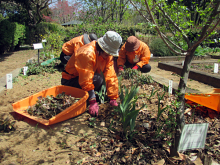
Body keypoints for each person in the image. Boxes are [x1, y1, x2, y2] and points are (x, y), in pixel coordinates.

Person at [61, 31, 122, 117]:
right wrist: (92, 101)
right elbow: (86, 78)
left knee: (102, 80)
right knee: (98, 79)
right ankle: (85, 98)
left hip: (86, 78)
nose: (108, 55)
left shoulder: (107, 56)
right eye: (107, 52)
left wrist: (113, 97)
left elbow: (110, 75)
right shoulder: (87, 53)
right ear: (102, 47)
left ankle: (86, 95)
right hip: (70, 80)